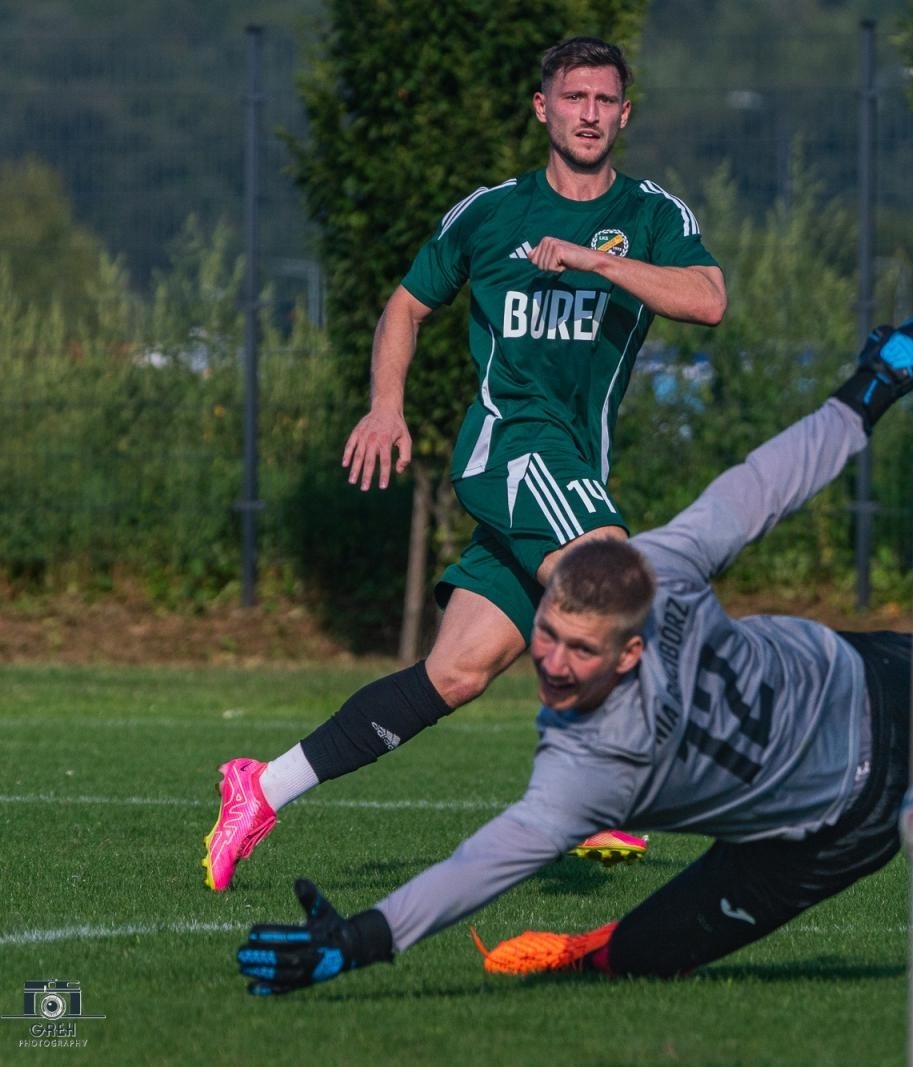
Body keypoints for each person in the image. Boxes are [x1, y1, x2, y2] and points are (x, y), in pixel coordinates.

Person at [232, 319, 913, 994]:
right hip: (804, 834)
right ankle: (591, 946)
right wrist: (867, 390)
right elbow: (763, 482)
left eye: (578, 650)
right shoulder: (621, 658)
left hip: (863, 715)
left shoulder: (614, 694)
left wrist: (869, 390)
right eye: (548, 635)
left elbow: (761, 482)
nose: (551, 661)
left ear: (629, 649)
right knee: (635, 962)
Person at [203, 36, 727, 892]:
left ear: (625, 115)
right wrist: (386, 406)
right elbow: (406, 305)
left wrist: (598, 259)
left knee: (454, 673)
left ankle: (262, 786)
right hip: (512, 447)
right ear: (543, 108)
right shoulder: (489, 214)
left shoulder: (651, 215)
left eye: (604, 100)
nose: (589, 114)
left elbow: (708, 300)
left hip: (572, 465)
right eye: (574, 98)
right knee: (613, 580)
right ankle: (600, 790)